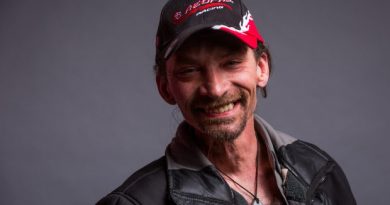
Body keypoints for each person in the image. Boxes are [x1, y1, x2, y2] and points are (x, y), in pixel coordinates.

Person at [97, 0, 356, 204]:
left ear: (261, 68)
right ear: (165, 87)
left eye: (231, 63)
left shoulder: (319, 173)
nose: (215, 88)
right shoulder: (134, 202)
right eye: (190, 70)